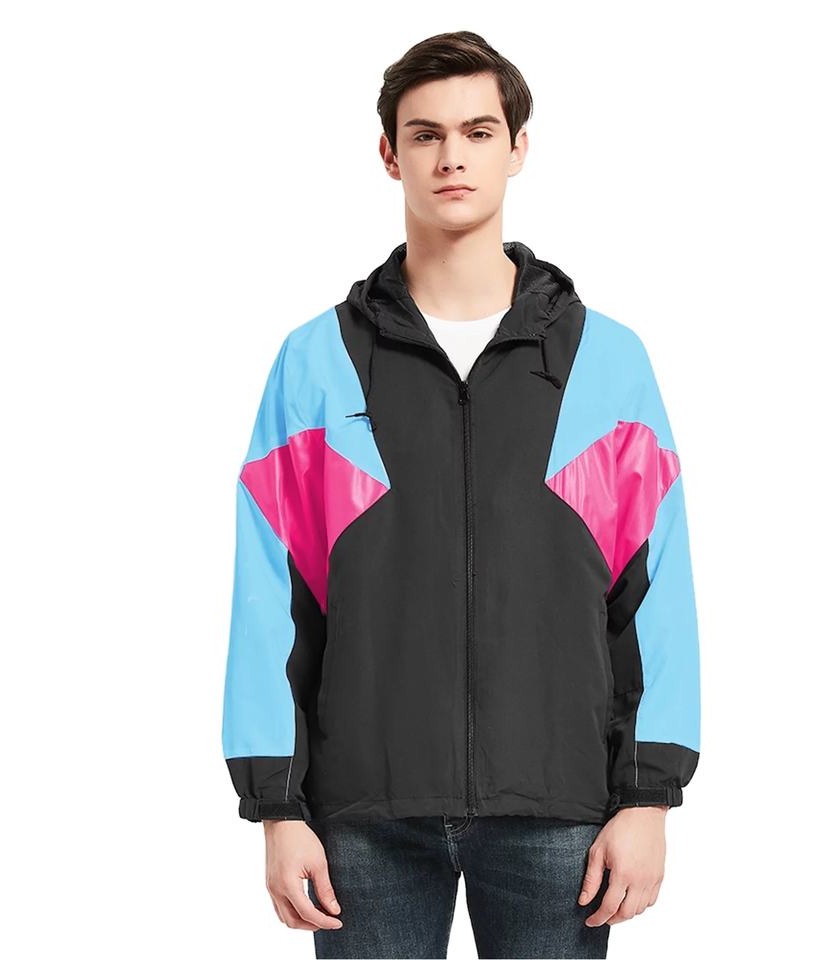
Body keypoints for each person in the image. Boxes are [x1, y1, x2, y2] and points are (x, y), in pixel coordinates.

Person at [221, 30, 701, 960]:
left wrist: (648, 797)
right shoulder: (315, 360)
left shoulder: (606, 360)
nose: (452, 157)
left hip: (558, 812)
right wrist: (277, 807)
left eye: (478, 132)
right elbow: (269, 594)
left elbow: (654, 592)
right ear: (389, 153)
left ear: (517, 148)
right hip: (363, 815)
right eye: (427, 134)